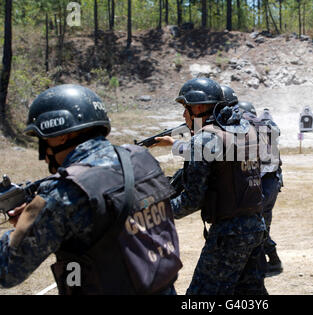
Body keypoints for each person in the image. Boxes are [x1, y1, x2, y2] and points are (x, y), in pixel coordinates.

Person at [0, 84, 182, 294]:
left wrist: (23, 226)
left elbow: (8, 270)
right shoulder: (141, 160)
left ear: (61, 136)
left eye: (44, 139)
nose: (44, 149)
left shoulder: (65, 192)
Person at [156, 78, 267, 295]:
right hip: (256, 226)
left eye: (185, 109)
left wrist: (157, 212)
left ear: (197, 107)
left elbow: (191, 201)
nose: (183, 115)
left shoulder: (203, 140)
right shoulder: (247, 131)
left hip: (229, 234)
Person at [237, 102, 284, 276]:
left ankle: (270, 261)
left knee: (256, 225)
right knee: (263, 224)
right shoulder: (266, 125)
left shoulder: (249, 130)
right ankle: (268, 262)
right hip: (273, 181)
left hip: (262, 184)